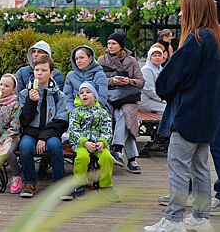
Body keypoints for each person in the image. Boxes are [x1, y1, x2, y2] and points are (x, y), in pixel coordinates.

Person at [145, 0, 220, 232]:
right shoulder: (216, 38)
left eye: (183, 8)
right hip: (209, 115)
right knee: (200, 167)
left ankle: (173, 220)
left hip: (188, 113)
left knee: (178, 167)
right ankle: (200, 217)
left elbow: (167, 80)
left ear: (193, 10)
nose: (181, 12)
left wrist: (170, 87)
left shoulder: (196, 39)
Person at [18, 54, 67, 198]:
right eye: (37, 70)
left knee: (55, 146)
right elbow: (23, 120)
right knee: (25, 147)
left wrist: (44, 137)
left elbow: (61, 120)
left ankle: (59, 183)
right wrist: (31, 102)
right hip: (30, 133)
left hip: (51, 134)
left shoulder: (59, 96)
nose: (40, 73)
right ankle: (29, 182)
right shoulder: (24, 94)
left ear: (51, 73)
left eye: (44, 70)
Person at [62, 82, 119, 202]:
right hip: (81, 144)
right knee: (82, 158)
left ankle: (106, 185)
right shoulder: (75, 112)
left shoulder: (103, 113)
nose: (84, 95)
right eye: (81, 93)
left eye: (88, 92)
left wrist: (103, 142)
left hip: (98, 144)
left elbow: (107, 130)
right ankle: (78, 184)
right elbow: (73, 130)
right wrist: (84, 142)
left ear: (95, 96)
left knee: (107, 157)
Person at [98, 32, 144, 174]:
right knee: (119, 116)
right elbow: (97, 81)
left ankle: (117, 149)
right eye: (109, 43)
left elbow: (141, 82)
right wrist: (112, 81)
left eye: (114, 43)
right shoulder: (102, 60)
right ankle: (131, 159)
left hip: (127, 97)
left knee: (124, 114)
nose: (110, 46)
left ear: (121, 46)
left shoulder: (132, 61)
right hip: (109, 97)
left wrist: (129, 81)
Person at [63, 45, 108, 112]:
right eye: (76, 59)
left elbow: (102, 98)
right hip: (73, 113)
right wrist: (73, 112)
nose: (78, 61)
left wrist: (88, 113)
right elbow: (67, 97)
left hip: (96, 112)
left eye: (81, 57)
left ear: (90, 59)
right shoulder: (70, 76)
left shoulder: (99, 75)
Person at [138, 47, 166, 114]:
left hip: (154, 99)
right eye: (154, 56)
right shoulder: (147, 69)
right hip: (145, 101)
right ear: (149, 58)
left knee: (174, 106)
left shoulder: (158, 69)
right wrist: (163, 100)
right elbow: (149, 90)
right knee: (169, 108)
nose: (157, 57)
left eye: (159, 56)